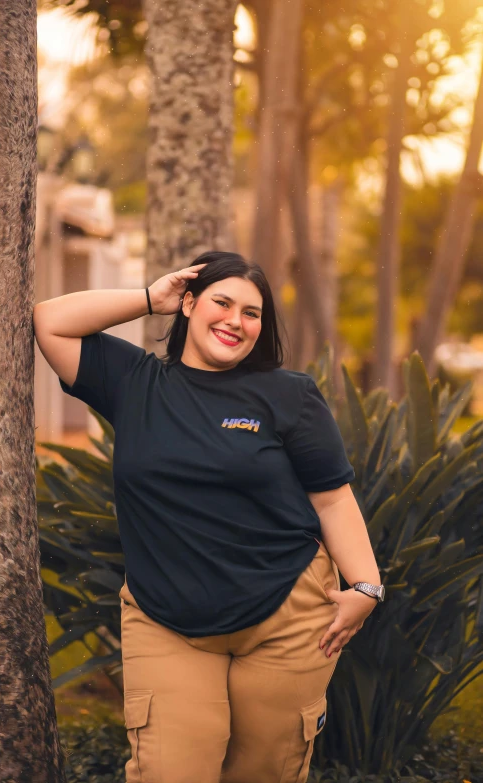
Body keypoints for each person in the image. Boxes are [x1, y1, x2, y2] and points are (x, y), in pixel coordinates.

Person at [33, 250, 383, 783]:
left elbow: (331, 498)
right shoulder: (135, 382)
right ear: (189, 304)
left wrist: (365, 586)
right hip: (165, 619)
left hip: (286, 615)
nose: (235, 321)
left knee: (264, 774)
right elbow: (50, 321)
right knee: (169, 772)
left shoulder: (288, 396)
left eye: (251, 313)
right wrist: (151, 298)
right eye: (222, 302)